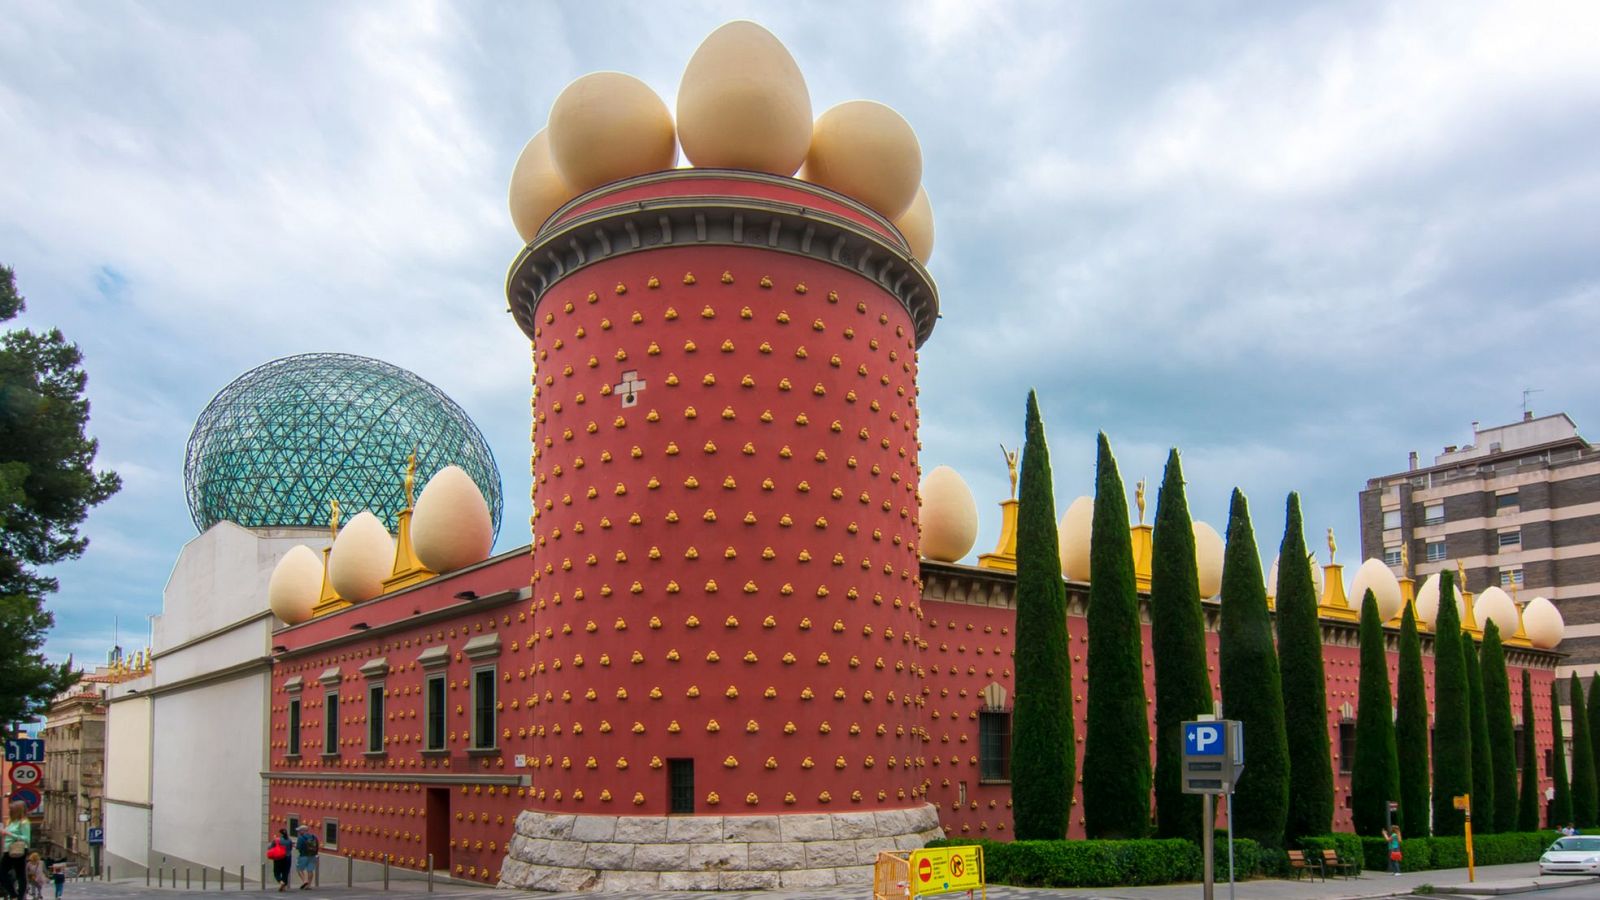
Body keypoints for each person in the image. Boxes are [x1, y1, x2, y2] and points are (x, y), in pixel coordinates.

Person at [2, 802, 31, 900]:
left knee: (20, 874)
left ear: (17, 811)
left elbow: (26, 838)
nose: (9, 811)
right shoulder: (10, 821)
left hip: (19, 849)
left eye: (11, 809)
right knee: (2, 873)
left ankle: (19, 897)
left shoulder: (24, 822)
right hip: (8, 850)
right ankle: (14, 894)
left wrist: (10, 834)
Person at [293, 825, 319, 890]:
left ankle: (305, 880)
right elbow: (317, 846)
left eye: (299, 830)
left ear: (303, 831)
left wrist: (294, 846)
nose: (298, 832)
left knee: (299, 869)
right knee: (310, 870)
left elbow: (298, 847)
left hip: (303, 856)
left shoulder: (301, 838)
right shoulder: (314, 837)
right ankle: (309, 885)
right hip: (312, 856)